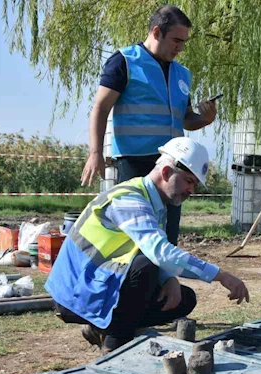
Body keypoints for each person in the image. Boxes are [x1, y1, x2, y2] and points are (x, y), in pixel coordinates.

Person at [48, 138, 249, 353]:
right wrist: (222, 275)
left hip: (98, 285)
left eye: (195, 184)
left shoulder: (154, 204)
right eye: (189, 181)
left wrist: (169, 278)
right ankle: (116, 343)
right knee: (146, 267)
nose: (191, 190)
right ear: (165, 172)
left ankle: (102, 327)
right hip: (76, 292)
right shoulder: (129, 199)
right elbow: (160, 253)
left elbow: (152, 251)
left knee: (184, 299)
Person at [80, 4, 217, 247]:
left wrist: (205, 119)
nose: (181, 47)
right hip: (135, 163)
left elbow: (186, 119)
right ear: (156, 32)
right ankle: (133, 283)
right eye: (176, 40)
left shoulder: (183, 74)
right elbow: (100, 107)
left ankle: (166, 283)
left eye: (184, 41)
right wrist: (95, 153)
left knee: (167, 238)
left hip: (173, 165)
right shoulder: (125, 61)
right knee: (133, 238)